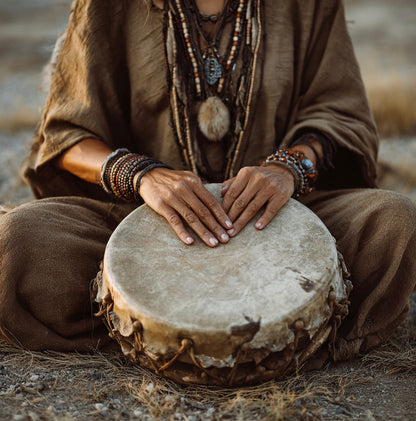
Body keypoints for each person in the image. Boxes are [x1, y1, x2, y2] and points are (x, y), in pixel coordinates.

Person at [0, 0, 415, 366]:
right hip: (140, 218)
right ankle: (210, 343)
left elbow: (341, 114)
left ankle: (193, 346)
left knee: (395, 224)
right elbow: (66, 136)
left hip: (282, 214)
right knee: (15, 242)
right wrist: (142, 175)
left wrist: (288, 168)